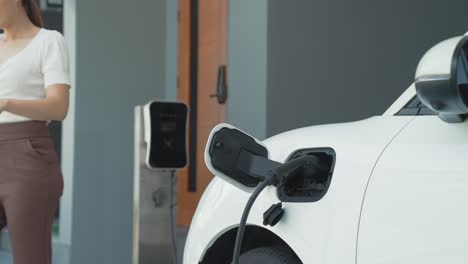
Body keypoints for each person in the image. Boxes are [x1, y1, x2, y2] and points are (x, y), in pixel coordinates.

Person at [0, 0, 70, 263]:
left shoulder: (49, 41)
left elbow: (58, 107)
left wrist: (6, 103)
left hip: (27, 159)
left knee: (30, 258)